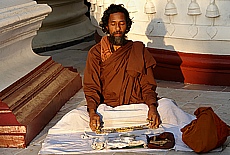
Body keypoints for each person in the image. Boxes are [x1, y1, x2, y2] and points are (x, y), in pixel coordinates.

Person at [83, 4, 161, 131]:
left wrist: (152, 108)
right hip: (108, 109)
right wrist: (92, 113)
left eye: (121, 23)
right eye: (113, 24)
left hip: (137, 108)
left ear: (127, 26)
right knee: (73, 118)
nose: (118, 29)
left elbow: (148, 85)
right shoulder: (96, 53)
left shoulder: (138, 50)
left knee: (169, 107)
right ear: (107, 27)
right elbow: (91, 87)